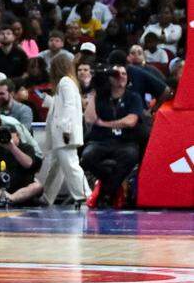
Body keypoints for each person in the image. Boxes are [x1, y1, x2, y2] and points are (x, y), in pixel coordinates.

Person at [81, 64, 143, 207]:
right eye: (117, 74)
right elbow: (89, 119)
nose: (121, 77)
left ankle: (104, 189)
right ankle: (113, 188)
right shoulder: (101, 97)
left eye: (124, 74)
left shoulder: (133, 97)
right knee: (88, 156)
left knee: (131, 156)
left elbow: (131, 121)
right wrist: (94, 91)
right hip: (101, 141)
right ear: (110, 78)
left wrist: (104, 123)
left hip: (125, 142)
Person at [37, 54, 87, 206]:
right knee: (56, 168)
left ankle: (85, 196)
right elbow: (60, 106)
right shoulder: (67, 83)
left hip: (65, 133)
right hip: (62, 133)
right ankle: (46, 197)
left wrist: (66, 129)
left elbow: (69, 107)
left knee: (71, 165)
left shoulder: (65, 82)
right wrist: (46, 100)